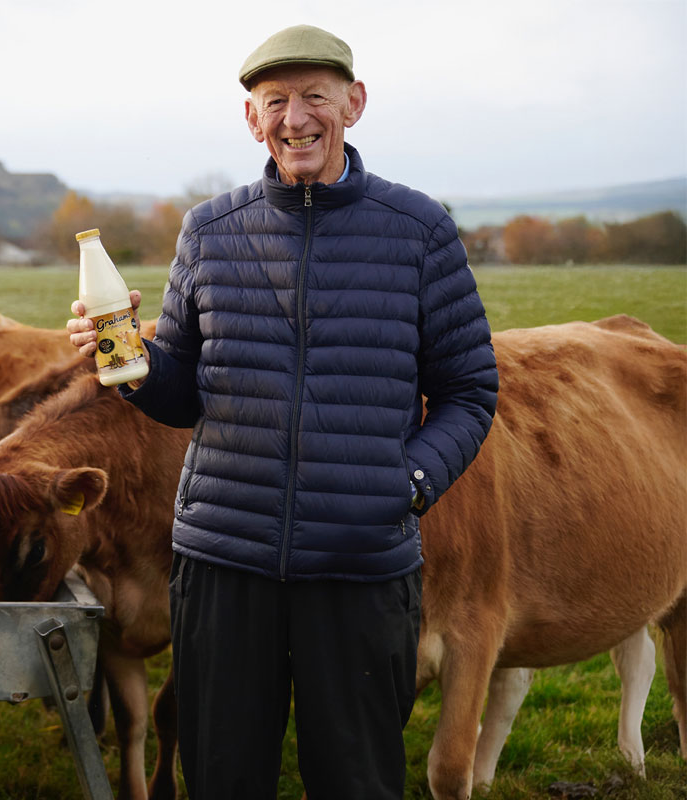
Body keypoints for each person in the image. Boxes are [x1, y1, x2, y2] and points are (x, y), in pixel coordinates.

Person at [67, 23, 498, 800]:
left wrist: (408, 482)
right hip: (224, 563)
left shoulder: (419, 231)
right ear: (251, 119)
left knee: (358, 780)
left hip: (361, 563)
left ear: (354, 104)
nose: (294, 118)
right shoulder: (210, 231)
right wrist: (124, 363)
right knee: (224, 777)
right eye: (275, 102)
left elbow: (470, 390)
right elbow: (180, 388)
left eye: (313, 98)